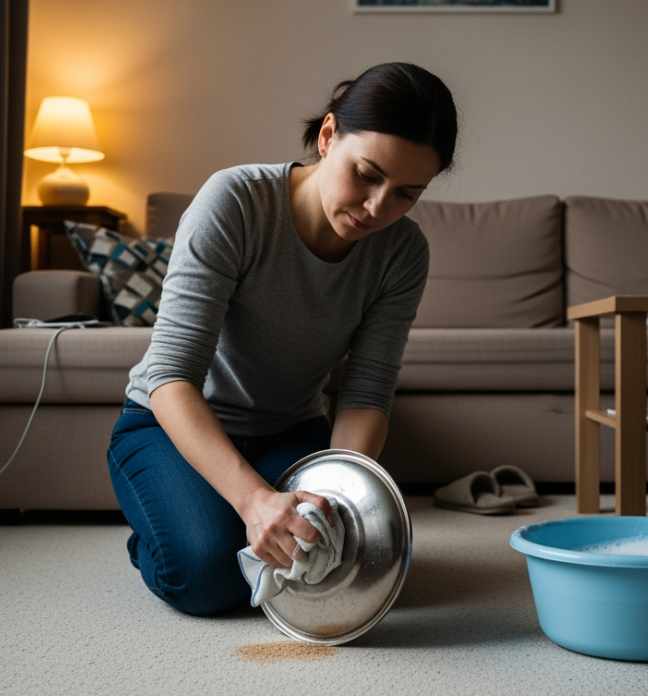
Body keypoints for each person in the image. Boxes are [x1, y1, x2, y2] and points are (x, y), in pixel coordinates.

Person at [107, 62, 458, 616]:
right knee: (211, 576)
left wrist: (344, 494)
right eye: (366, 175)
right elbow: (170, 376)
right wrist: (253, 501)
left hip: (289, 431)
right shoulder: (236, 202)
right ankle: (161, 532)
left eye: (405, 194)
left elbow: (367, 392)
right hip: (168, 426)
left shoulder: (402, 252)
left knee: (355, 563)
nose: (377, 209)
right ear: (327, 136)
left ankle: (222, 518)